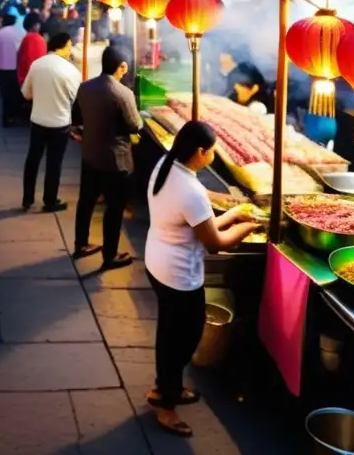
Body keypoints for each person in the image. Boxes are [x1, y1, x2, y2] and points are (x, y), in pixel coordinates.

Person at [145, 121, 261, 437]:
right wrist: (246, 228)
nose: (212, 156)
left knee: (170, 334)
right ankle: (166, 408)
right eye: (211, 152)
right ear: (200, 152)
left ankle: (164, 387)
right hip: (178, 275)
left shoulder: (166, 165)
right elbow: (214, 243)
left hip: (158, 262)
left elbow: (198, 223)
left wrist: (234, 215)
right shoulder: (191, 189)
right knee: (183, 339)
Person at [72, 46, 142, 270]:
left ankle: (81, 244)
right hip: (116, 161)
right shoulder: (122, 93)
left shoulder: (85, 87)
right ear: (121, 66)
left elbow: (77, 115)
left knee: (86, 202)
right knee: (114, 210)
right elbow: (135, 125)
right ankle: (109, 256)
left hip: (90, 154)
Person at [21, 32, 80, 212]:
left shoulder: (37, 65)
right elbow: (75, 97)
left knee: (33, 159)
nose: (71, 50)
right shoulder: (71, 70)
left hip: (38, 120)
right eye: (70, 46)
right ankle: (50, 200)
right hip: (59, 123)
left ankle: (27, 198)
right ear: (61, 47)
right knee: (54, 163)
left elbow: (26, 93)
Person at [0, 14, 24, 127]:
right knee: (13, 95)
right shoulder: (17, 33)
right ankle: (12, 117)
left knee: (5, 96)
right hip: (13, 68)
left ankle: (6, 118)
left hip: (1, 68)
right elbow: (19, 49)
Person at [16, 12, 47, 87]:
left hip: (25, 79)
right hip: (36, 79)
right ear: (34, 25)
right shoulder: (37, 39)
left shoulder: (26, 38)